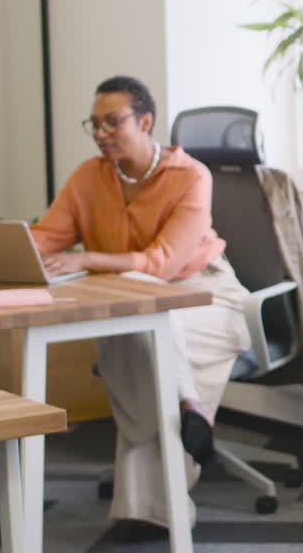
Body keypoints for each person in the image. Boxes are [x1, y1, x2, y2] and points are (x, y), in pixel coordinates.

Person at [32, 75, 251, 538]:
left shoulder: (191, 176)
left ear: (146, 121)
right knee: (136, 335)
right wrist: (5, 252)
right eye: (94, 124)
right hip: (135, 302)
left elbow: (164, 263)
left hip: (205, 296)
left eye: (113, 121)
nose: (101, 132)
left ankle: (151, 510)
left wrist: (88, 257)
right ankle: (192, 411)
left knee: (142, 336)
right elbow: (46, 238)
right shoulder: (88, 177)